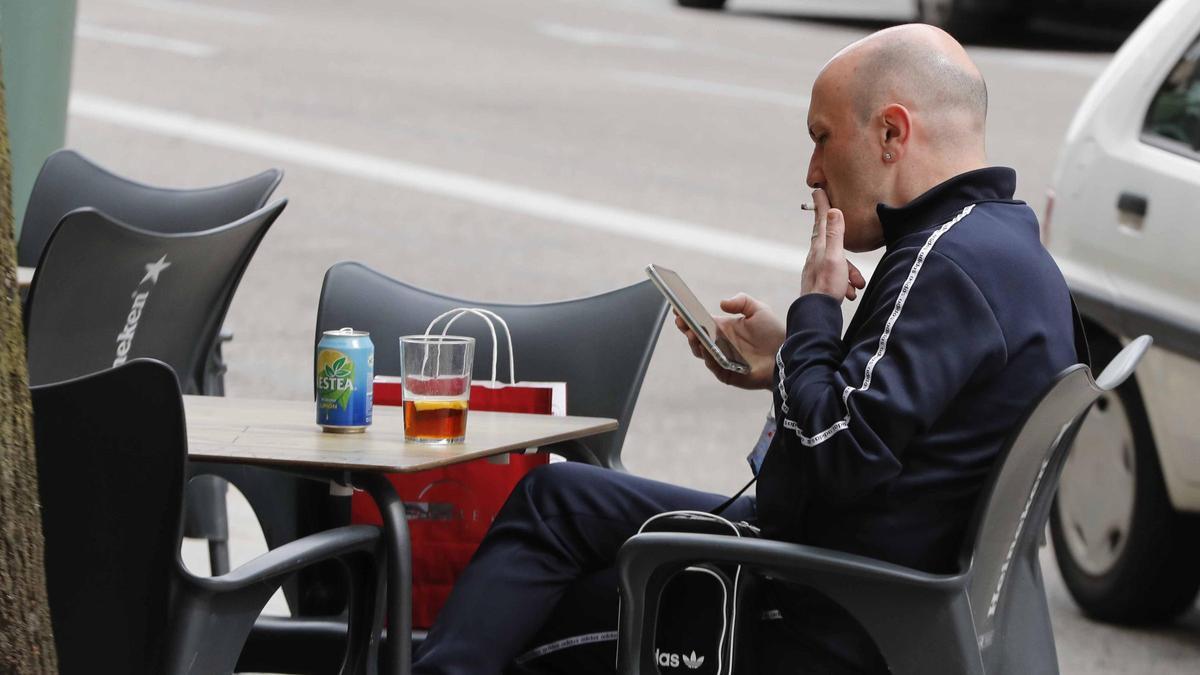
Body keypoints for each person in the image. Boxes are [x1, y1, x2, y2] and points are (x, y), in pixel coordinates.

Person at [412, 23, 1079, 675]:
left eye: (822, 138)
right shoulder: (1006, 250)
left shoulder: (943, 263)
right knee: (557, 498)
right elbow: (897, 422)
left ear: (891, 133)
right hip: (883, 582)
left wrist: (815, 308)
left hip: (823, 607)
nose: (812, 172)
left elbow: (829, 451)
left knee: (533, 611)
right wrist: (791, 355)